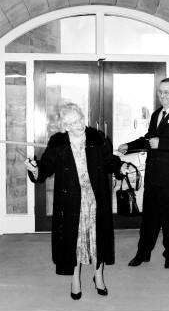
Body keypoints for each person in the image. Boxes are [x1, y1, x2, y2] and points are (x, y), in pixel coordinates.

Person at [25, 102, 127, 300]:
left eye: (80, 119)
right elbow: (46, 167)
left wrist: (119, 167)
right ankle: (75, 280)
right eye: (72, 122)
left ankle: (98, 276)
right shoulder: (58, 142)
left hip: (95, 199)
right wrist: (35, 169)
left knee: (98, 240)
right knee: (74, 241)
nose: (79, 125)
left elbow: (109, 161)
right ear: (65, 126)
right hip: (70, 201)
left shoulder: (97, 138)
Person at [118, 78, 169, 269]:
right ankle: (142, 253)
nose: (163, 96)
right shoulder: (156, 114)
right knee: (149, 219)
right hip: (153, 176)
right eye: (160, 92)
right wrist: (130, 146)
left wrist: (163, 144)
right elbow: (149, 139)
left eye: (167, 92)